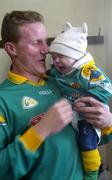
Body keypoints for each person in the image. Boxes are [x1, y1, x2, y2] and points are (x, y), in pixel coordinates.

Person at [0, 11, 112, 180]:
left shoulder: (65, 83)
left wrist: (107, 123)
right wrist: (40, 130)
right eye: (37, 43)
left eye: (46, 41)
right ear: (11, 48)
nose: (46, 50)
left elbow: (95, 139)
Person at [49, 22, 112, 179]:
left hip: (87, 112)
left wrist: (88, 100)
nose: (56, 61)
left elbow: (106, 86)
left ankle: (92, 173)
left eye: (61, 56)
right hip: (70, 109)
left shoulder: (87, 71)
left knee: (87, 142)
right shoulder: (57, 71)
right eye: (53, 57)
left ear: (75, 55)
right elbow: (49, 75)